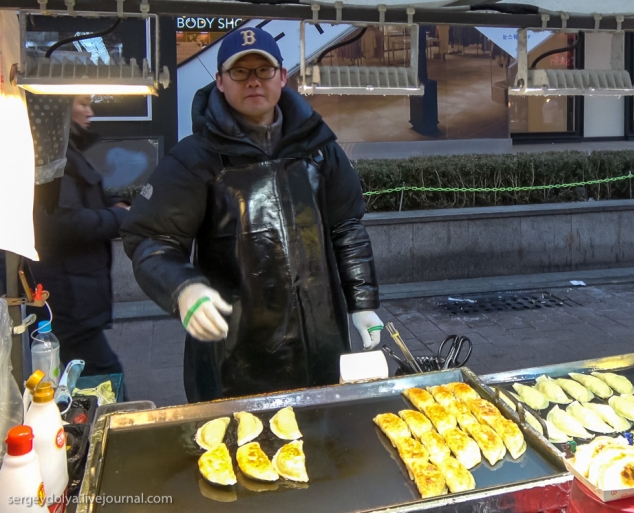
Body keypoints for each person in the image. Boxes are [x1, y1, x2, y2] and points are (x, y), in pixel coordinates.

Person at [120, 27, 384, 402]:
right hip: (233, 357)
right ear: (220, 82)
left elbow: (346, 227)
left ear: (282, 76)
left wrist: (363, 302)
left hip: (321, 344)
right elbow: (151, 238)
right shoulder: (195, 158)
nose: (253, 81)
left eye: (263, 70)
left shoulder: (320, 149)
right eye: (240, 72)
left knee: (324, 443)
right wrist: (183, 288)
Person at [29, 95, 129, 381]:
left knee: (85, 378)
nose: (90, 112)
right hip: (68, 301)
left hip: (75, 296)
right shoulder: (53, 158)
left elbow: (81, 204)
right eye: (83, 103)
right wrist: (121, 217)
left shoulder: (63, 152)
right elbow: (63, 221)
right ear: (61, 107)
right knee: (104, 377)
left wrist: (114, 203)